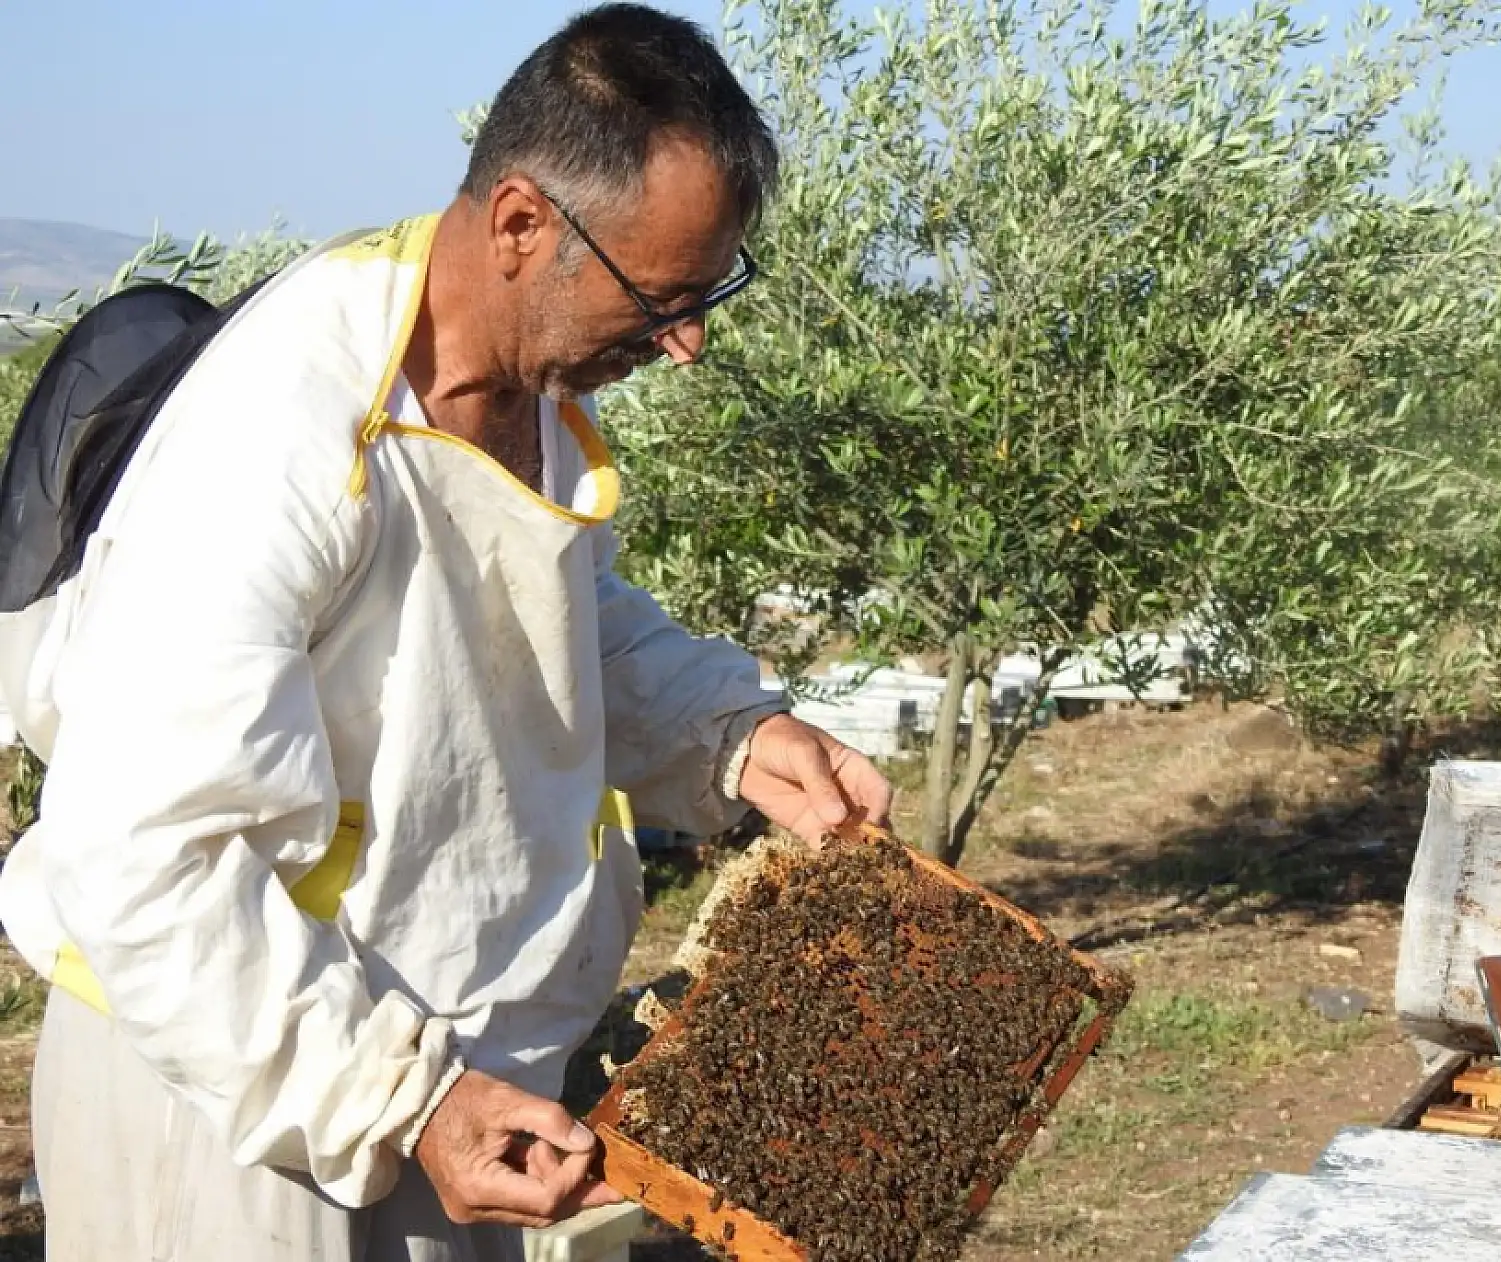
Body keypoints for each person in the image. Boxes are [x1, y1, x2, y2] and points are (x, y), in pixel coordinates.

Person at [0, 6, 893, 1259]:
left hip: (444, 1077)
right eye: (662, 295)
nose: (686, 344)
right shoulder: (280, 431)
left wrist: (730, 730)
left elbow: (550, 619)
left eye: (709, 295)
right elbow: (142, 858)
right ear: (522, 222)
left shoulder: (519, 383)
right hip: (230, 1094)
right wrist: (393, 1098)